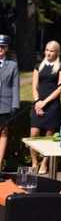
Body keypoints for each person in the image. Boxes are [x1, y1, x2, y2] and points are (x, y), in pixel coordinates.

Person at [30, 40, 61, 174]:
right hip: (38, 103)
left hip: (51, 105)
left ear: (56, 53)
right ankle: (34, 162)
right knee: (33, 134)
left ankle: (44, 163)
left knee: (48, 136)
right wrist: (37, 103)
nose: (48, 53)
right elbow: (34, 86)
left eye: (52, 51)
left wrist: (45, 103)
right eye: (47, 50)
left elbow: (60, 88)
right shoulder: (38, 66)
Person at [0, 34, 20, 170]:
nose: (0, 49)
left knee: (3, 134)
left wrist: (15, 105)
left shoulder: (12, 65)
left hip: (4, 106)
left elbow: (15, 86)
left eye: (3, 46)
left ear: (7, 48)